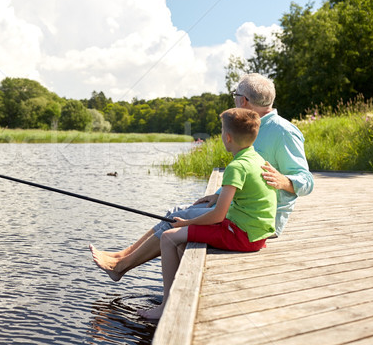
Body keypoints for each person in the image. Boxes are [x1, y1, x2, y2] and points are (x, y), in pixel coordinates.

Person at [89, 73, 313, 282]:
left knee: (181, 216)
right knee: (175, 211)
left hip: (257, 221)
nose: (234, 100)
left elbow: (307, 181)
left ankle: (120, 267)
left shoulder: (283, 131)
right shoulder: (251, 126)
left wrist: (284, 181)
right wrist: (216, 195)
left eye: (235, 96)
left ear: (243, 100)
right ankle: (122, 256)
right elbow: (246, 176)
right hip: (238, 208)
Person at [137, 108, 277, 319]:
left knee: (168, 238)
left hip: (241, 235)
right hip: (256, 234)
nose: (221, 135)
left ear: (227, 137)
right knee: (181, 243)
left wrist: (186, 223)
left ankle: (166, 306)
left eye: (222, 130)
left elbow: (218, 216)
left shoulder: (236, 167)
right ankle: (178, 295)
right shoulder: (257, 159)